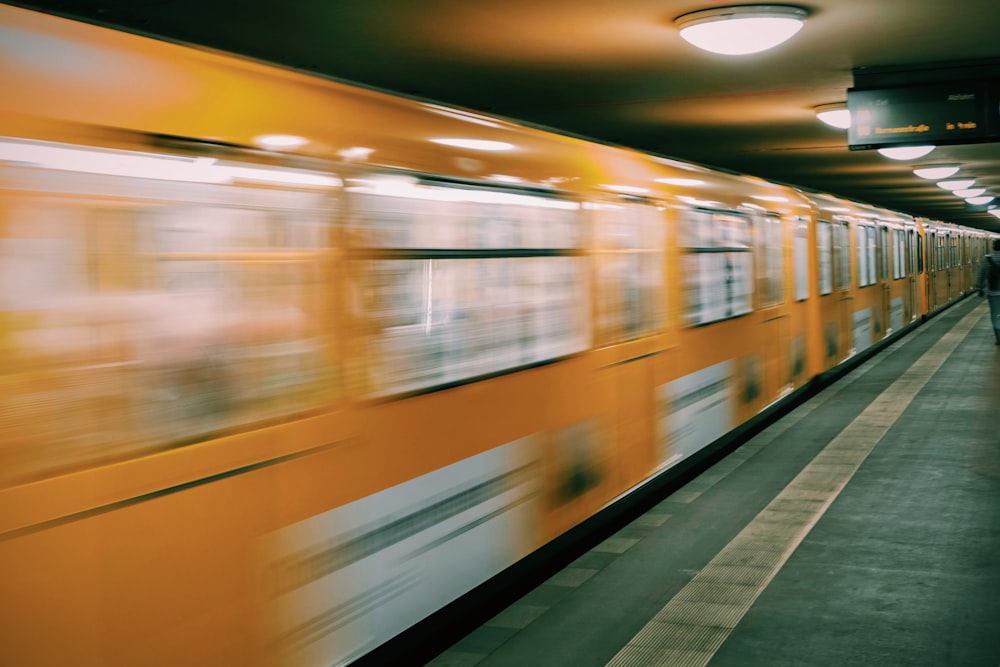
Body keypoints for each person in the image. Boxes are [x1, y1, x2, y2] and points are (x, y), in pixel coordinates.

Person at [975, 237, 1000, 345]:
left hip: (993, 293)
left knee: (995, 315)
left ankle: (998, 338)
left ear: (993, 247)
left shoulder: (987, 259)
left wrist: (980, 288)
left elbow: (982, 275)